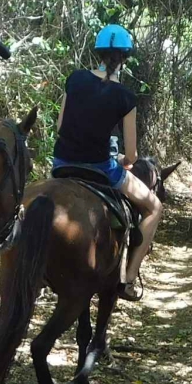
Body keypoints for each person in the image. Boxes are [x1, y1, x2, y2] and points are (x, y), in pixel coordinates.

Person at [50, 24, 163, 302]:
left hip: (61, 163)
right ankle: (128, 279)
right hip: (101, 167)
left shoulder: (75, 79)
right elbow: (132, 156)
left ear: (97, 53)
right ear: (124, 58)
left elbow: (60, 126)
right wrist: (123, 159)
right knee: (154, 207)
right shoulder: (125, 96)